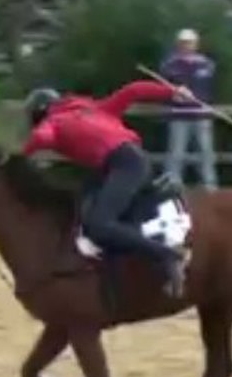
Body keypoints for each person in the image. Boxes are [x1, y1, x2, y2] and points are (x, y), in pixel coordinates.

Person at [21, 79, 196, 297]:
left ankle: (168, 255)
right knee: (86, 197)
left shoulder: (54, 121)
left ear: (40, 114)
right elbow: (133, 90)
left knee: (99, 224)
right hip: (133, 159)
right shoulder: (94, 108)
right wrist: (172, 91)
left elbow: (41, 136)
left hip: (122, 166)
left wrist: (21, 154)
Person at [160, 28, 219, 191]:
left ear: (196, 44)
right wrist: (175, 92)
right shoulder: (170, 64)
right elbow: (165, 87)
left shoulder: (206, 64)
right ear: (178, 44)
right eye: (183, 43)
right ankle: (173, 183)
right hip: (178, 115)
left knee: (205, 151)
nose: (186, 46)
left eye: (190, 43)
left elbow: (207, 87)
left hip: (201, 114)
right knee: (176, 151)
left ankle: (209, 185)